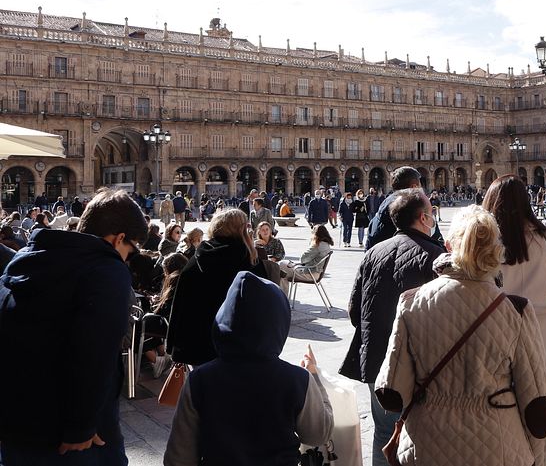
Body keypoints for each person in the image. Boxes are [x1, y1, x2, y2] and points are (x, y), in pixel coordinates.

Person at [374, 205, 546, 466]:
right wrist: (541, 460)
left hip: (427, 446)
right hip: (497, 445)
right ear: (496, 249)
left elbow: (392, 392)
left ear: (448, 246)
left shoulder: (412, 302)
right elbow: (538, 406)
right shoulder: (516, 310)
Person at [0, 188, 148, 465]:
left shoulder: (26, 259)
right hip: (72, 435)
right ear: (119, 238)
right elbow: (94, 352)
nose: (128, 259)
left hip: (16, 423)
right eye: (132, 250)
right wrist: (81, 426)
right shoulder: (107, 271)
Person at [164, 272, 334, 466]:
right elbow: (318, 434)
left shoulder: (200, 379)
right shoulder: (297, 379)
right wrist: (314, 376)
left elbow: (179, 457)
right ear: (278, 322)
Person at [340, 188, 444, 466]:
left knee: (384, 432)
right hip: (420, 365)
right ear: (423, 218)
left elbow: (354, 310)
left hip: (378, 360)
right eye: (431, 213)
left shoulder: (373, 252)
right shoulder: (435, 256)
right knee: (422, 433)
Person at [483, 175, 546, 397]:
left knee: (499, 408)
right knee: (542, 413)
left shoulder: (485, 245)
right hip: (543, 331)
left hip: (495, 330)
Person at [166, 208, 267, 366]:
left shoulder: (198, 257)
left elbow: (180, 303)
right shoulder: (248, 260)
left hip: (198, 345)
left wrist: (176, 345)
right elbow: (264, 304)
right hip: (237, 348)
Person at [364, 166, 444, 251]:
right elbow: (434, 240)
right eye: (420, 185)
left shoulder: (382, 209)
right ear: (414, 187)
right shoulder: (415, 208)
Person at [279, 224, 334, 294]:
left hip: (310, 273)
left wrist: (311, 243)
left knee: (282, 269)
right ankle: (283, 299)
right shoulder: (326, 244)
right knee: (284, 270)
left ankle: (283, 298)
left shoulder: (317, 245)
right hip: (316, 272)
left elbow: (303, 259)